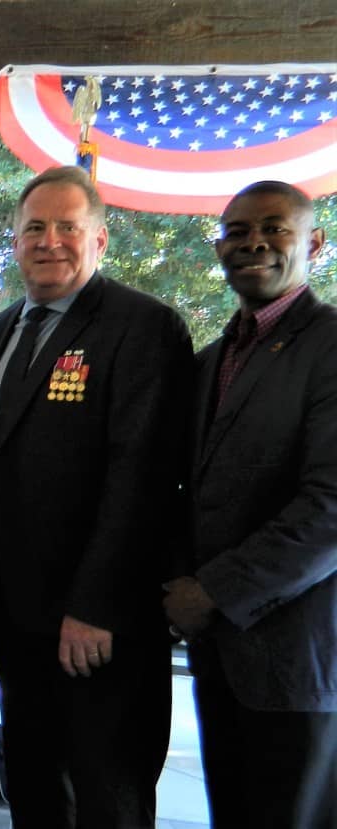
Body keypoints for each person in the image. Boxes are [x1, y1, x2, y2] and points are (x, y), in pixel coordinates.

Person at [0, 165, 192, 827]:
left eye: (68, 227)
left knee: (107, 796)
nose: (49, 241)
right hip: (19, 614)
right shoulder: (7, 324)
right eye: (34, 227)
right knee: (36, 789)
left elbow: (144, 478)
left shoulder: (142, 325)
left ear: (100, 240)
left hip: (98, 620)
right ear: (13, 241)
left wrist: (95, 605)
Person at [163, 180, 337, 828]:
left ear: (313, 243)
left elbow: (330, 509)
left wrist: (210, 591)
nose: (254, 241)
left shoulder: (330, 346)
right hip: (222, 657)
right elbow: (188, 491)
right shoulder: (211, 360)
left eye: (275, 227)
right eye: (237, 231)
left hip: (296, 665)